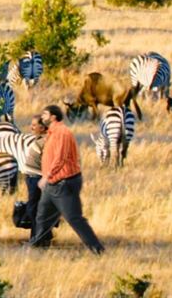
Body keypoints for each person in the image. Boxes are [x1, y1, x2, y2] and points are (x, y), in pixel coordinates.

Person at [29, 104, 105, 254]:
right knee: (42, 215)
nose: (42, 117)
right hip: (53, 183)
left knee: (74, 218)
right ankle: (36, 247)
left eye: (45, 114)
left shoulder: (62, 133)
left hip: (63, 182)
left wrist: (46, 176)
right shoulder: (52, 133)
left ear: (53, 117)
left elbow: (61, 158)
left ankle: (98, 250)